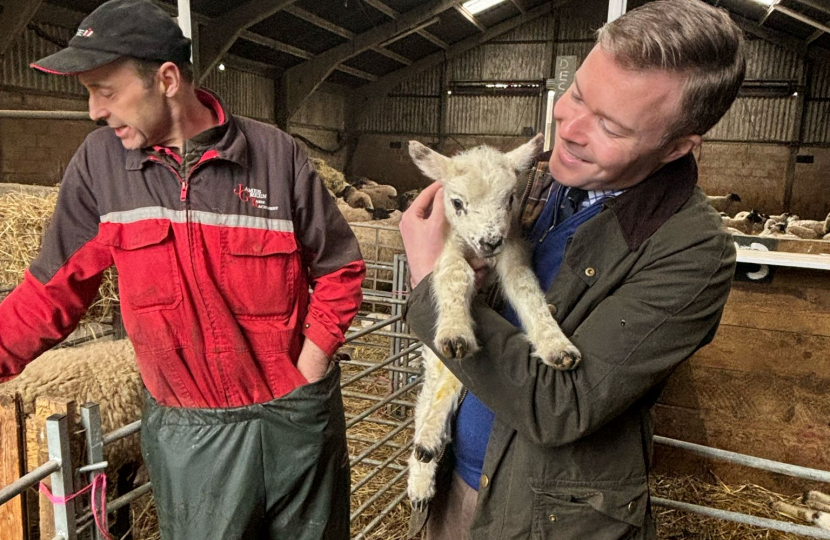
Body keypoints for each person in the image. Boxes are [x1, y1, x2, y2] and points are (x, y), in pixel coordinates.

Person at [0, 1, 365, 539]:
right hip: (189, 436)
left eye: (106, 90)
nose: (95, 111)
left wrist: (306, 374)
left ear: (166, 79)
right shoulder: (100, 168)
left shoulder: (275, 156)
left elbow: (340, 268)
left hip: (295, 422)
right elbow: (49, 295)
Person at [399, 0, 745, 539]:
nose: (571, 127)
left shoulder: (692, 254)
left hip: (548, 518)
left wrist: (428, 282)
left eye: (609, 123)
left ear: (676, 146)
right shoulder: (540, 184)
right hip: (456, 484)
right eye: (578, 93)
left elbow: (563, 404)